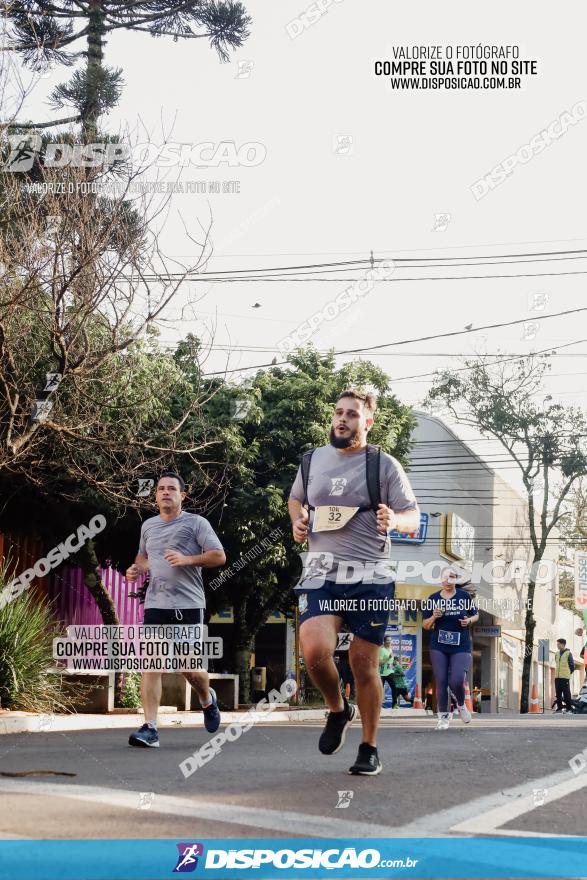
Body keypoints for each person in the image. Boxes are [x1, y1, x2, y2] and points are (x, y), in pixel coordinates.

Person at [288, 388, 420, 775]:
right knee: (314, 652)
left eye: (352, 414)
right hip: (321, 575)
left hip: (370, 578)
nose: (342, 419)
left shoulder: (383, 465)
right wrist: (297, 521)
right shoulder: (312, 461)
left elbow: (412, 514)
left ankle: (369, 746)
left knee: (363, 663)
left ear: (368, 422)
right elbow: (296, 500)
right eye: (338, 413)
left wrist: (395, 522)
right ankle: (337, 708)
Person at [126, 472, 226, 747]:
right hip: (156, 605)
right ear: (156, 495)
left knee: (189, 669)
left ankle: (207, 699)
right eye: (161, 489)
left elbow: (219, 555)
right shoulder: (148, 526)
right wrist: (136, 569)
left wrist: (187, 559)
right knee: (152, 664)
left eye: (172, 489)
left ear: (183, 494)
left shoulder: (196, 523)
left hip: (189, 605)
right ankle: (150, 728)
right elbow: (145, 558)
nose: (166, 492)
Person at [422, 566, 479, 730]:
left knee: (456, 680)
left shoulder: (463, 596)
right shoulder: (433, 598)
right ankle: (443, 717)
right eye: (445, 577)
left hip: (461, 645)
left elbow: (475, 614)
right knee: (441, 681)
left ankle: (461, 705)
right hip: (438, 645)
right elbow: (425, 625)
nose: (448, 580)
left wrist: (469, 621)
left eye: (452, 577)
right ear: (441, 580)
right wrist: (434, 616)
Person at [554, 637, 575, 713]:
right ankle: (559, 709)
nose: (557, 645)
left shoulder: (568, 653)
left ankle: (569, 709)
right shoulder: (556, 654)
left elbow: (572, 665)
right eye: (557, 644)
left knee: (566, 694)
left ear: (563, 644)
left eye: (559, 644)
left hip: (565, 677)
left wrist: (568, 673)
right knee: (558, 694)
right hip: (557, 677)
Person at [379, 636, 397, 708]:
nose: (389, 642)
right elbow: (379, 662)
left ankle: (394, 705)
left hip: (390, 672)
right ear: (384, 641)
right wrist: (388, 658)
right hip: (382, 673)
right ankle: (378, 705)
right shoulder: (381, 650)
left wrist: (394, 662)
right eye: (388, 640)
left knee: (395, 687)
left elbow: (390, 662)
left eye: (390, 640)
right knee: (380, 690)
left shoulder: (390, 649)